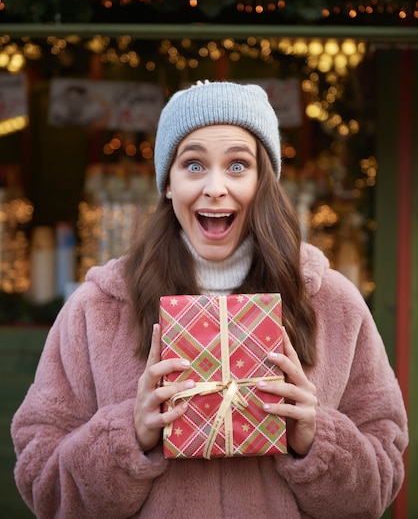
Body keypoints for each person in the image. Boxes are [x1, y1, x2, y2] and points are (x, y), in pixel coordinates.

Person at [11, 80, 408, 518]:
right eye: (194, 165)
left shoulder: (333, 303)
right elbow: (41, 480)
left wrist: (316, 439)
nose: (215, 187)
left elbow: (381, 481)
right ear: (168, 183)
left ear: (264, 183)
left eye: (238, 165)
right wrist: (128, 434)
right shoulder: (98, 308)